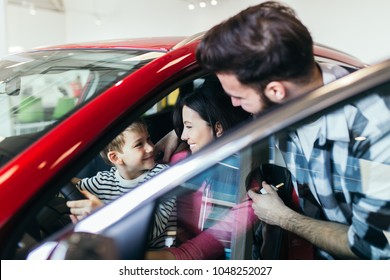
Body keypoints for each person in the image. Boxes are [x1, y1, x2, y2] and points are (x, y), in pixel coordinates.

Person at [196, 1, 390, 259]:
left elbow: (374, 248)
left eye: (238, 96)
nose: (234, 104)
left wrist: (283, 217)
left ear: (276, 91)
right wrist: (176, 131)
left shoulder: (377, 129)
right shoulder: (287, 103)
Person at [146, 76, 255, 259]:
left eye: (188, 127)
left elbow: (198, 249)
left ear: (218, 128)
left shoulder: (249, 183)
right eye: (183, 127)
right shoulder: (176, 162)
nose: (182, 136)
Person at [67, 119, 175, 249]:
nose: (151, 147)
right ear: (115, 158)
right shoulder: (103, 181)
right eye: (139, 144)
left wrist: (104, 214)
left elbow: (151, 231)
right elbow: (70, 188)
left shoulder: (162, 176)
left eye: (148, 139)